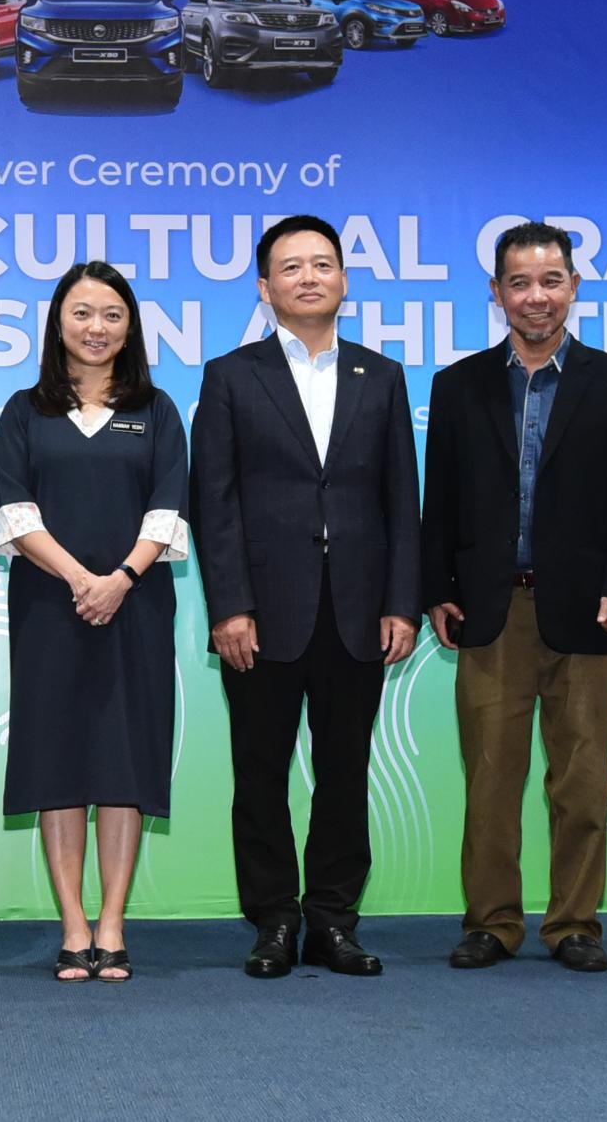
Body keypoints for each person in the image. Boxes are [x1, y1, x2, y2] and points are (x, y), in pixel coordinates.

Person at [420, 219, 607, 974]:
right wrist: (436, 590)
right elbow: (439, 501)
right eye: (519, 282)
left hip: (588, 610)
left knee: (581, 781)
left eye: (551, 281)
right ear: (496, 292)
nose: (536, 296)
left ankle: (575, 923)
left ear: (574, 287)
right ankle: (491, 922)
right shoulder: (457, 386)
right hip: (490, 610)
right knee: (491, 779)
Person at [191, 214, 420, 980]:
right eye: (291, 267)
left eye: (323, 263)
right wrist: (229, 605)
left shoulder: (380, 376)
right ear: (265, 288)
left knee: (345, 769)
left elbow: (401, 497)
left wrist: (401, 602)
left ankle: (331, 919)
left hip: (358, 609)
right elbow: (213, 499)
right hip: (261, 612)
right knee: (259, 771)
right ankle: (273, 919)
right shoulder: (231, 375)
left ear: (344, 280)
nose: (309, 277)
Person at [0, 261, 189, 984]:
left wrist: (120, 580)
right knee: (59, 759)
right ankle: (74, 925)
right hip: (51, 608)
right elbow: (13, 512)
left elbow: (168, 510)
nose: (96, 327)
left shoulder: (156, 410)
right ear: (57, 324)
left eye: (111, 314)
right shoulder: (24, 411)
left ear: (129, 327)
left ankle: (113, 924)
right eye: (81, 313)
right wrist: (81, 580)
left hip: (137, 608)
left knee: (125, 761)